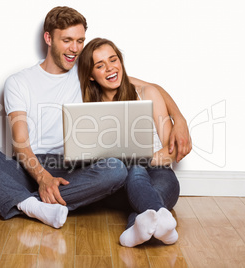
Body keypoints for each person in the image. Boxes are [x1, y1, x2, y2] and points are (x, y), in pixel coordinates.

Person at [0, 7, 128, 229]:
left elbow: (132, 82)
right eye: (67, 40)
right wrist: (42, 177)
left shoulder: (85, 72)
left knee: (116, 169)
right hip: (29, 166)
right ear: (48, 38)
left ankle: (18, 203)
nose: (75, 49)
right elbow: (20, 142)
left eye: (80, 41)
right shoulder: (19, 81)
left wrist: (176, 118)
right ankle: (29, 202)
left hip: (72, 169)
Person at [78, 38, 181, 247]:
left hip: (159, 173)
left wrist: (141, 160)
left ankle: (136, 228)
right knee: (133, 170)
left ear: (121, 61)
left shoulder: (147, 94)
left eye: (113, 60)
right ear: (91, 74)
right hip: (118, 185)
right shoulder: (87, 107)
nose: (109, 68)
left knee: (141, 172)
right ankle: (162, 224)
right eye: (100, 65)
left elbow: (170, 153)